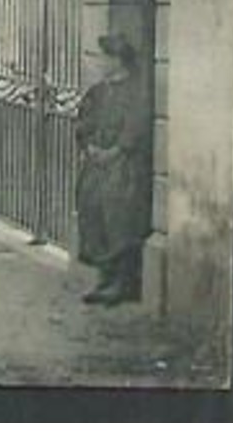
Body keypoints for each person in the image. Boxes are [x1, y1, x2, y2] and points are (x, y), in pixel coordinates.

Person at [75, 34, 153, 307]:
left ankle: (123, 282)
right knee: (92, 211)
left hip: (123, 165)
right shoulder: (98, 91)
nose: (100, 62)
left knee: (119, 216)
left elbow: (136, 128)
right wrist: (88, 146)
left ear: (118, 60)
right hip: (97, 163)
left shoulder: (136, 93)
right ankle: (104, 277)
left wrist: (115, 151)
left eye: (105, 57)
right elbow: (83, 120)